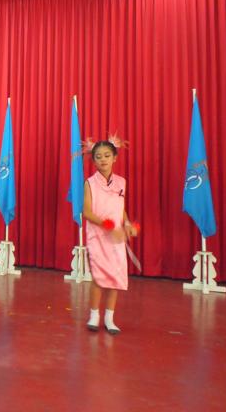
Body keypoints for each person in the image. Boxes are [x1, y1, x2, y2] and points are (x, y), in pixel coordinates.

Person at [83, 139, 138, 334]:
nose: (103, 159)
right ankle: (94, 315)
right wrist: (109, 226)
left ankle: (109, 318)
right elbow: (87, 212)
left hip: (115, 238)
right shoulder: (90, 183)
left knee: (114, 278)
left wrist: (127, 224)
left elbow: (120, 208)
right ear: (94, 161)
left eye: (107, 155)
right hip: (98, 237)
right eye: (98, 157)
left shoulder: (122, 182)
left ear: (114, 158)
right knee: (99, 278)